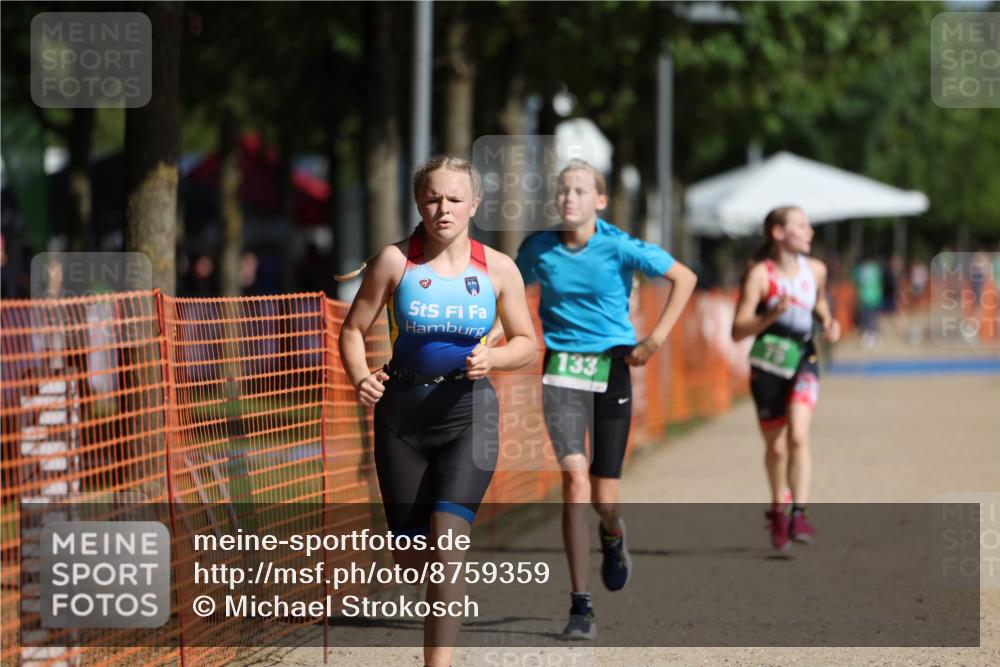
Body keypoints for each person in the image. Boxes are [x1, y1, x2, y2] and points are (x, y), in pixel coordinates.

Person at [338, 156, 536, 667]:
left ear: (474, 204)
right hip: (402, 419)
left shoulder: (497, 268)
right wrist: (360, 375)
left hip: (469, 417)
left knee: (448, 552)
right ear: (417, 202)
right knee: (411, 562)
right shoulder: (395, 262)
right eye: (432, 198)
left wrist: (493, 356)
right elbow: (353, 330)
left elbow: (526, 342)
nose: (442, 208)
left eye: (453, 198)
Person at [514, 159, 697, 640]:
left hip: (613, 367)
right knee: (574, 481)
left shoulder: (618, 245)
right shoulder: (537, 249)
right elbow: (507, 291)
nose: (569, 198)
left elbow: (685, 278)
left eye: (580, 191)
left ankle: (613, 535)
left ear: (599, 201)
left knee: (603, 498)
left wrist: (655, 338)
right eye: (562, 191)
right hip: (561, 371)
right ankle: (580, 605)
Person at [731, 206, 841, 552]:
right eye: (801, 226)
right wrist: (772, 314)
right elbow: (737, 330)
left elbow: (819, 303)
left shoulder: (817, 270)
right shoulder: (760, 276)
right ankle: (778, 507)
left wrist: (830, 321)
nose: (809, 232)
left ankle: (800, 513)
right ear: (778, 233)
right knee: (776, 446)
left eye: (809, 225)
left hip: (804, 357)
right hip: (768, 363)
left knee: (798, 434)